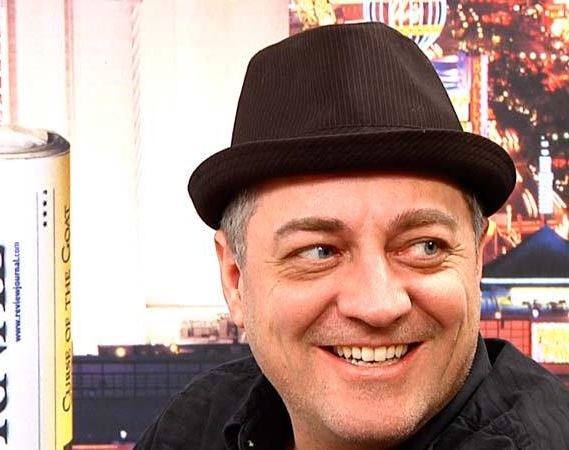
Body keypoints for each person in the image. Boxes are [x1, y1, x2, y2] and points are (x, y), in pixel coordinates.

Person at [135, 22, 569, 450]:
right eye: (319, 252)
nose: (378, 306)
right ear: (235, 279)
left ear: (476, 262)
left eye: (426, 247)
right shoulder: (192, 425)